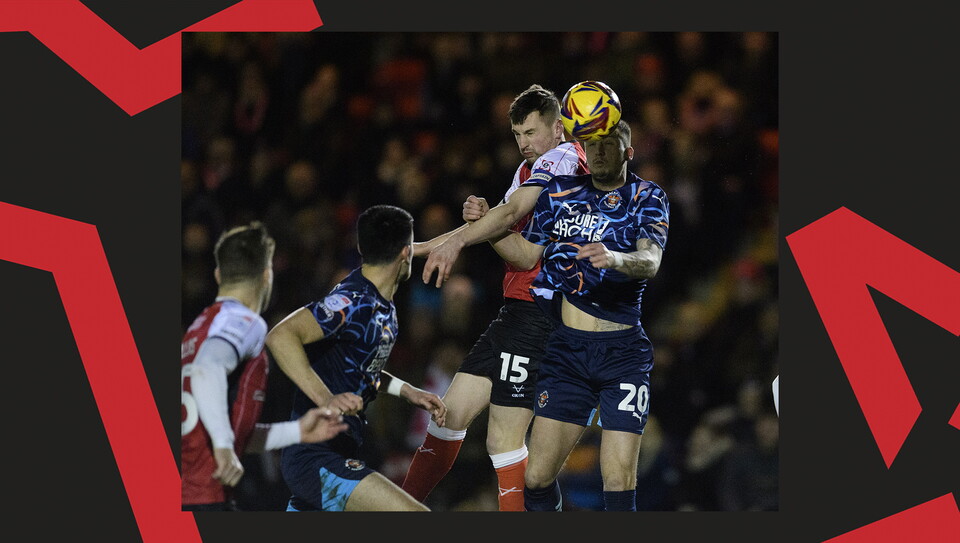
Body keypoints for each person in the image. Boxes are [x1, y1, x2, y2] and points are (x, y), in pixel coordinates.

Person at [400, 84, 588, 511]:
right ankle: (400, 509)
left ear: (558, 128)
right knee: (448, 416)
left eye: (531, 132)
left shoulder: (562, 158)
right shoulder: (530, 170)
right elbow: (505, 235)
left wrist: (463, 240)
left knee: (504, 439)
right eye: (517, 134)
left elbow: (511, 232)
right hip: (517, 310)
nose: (523, 143)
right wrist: (419, 249)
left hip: (543, 313)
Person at [488, 119, 669, 511]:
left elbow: (650, 260)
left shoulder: (647, 196)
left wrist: (616, 257)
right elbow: (525, 255)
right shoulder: (561, 192)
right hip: (567, 351)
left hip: (622, 354)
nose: (600, 150)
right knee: (535, 479)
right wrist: (488, 227)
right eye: (593, 144)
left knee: (618, 481)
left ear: (629, 152)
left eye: (610, 143)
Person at [265, 204, 448, 511]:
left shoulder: (382, 305)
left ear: (362, 247)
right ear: (406, 253)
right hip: (316, 456)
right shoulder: (352, 301)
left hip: (338, 449)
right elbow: (280, 336)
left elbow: (363, 369)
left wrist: (408, 391)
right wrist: (326, 398)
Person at [181, 221, 349, 511]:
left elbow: (222, 424)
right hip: (202, 496)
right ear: (267, 275)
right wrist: (222, 447)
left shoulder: (199, 329)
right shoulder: (244, 320)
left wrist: (296, 432)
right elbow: (205, 371)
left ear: (219, 274)